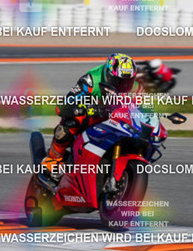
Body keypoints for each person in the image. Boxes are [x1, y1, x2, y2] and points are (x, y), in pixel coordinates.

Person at [40, 53, 139, 181]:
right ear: (108, 75)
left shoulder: (137, 87)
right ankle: (52, 159)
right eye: (118, 81)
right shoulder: (91, 80)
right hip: (91, 117)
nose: (123, 85)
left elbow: (145, 108)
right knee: (71, 122)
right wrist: (86, 109)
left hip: (115, 120)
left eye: (127, 82)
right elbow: (63, 107)